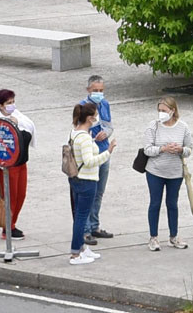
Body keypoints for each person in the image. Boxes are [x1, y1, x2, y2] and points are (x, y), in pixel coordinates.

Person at [143, 97, 192, 252]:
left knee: (172, 204)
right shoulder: (153, 126)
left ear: (173, 110)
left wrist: (180, 150)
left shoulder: (183, 127)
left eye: (164, 111)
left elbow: (189, 148)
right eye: (159, 110)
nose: (161, 114)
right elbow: (147, 149)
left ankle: (173, 236)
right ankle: (153, 237)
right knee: (155, 203)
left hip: (175, 172)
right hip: (155, 171)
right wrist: (163, 149)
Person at [68, 102, 116, 264]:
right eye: (95, 116)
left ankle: (82, 249)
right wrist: (107, 152)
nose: (96, 119)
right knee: (81, 217)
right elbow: (89, 161)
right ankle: (75, 253)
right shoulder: (85, 138)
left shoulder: (75, 133)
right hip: (87, 180)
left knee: (79, 215)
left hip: (75, 178)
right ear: (89, 118)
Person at [0, 89, 35, 240]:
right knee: (10, 198)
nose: (12, 105)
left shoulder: (18, 116)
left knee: (21, 195)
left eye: (13, 101)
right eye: (9, 103)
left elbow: (29, 126)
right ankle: (7, 227)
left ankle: (12, 223)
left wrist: (17, 123)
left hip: (22, 163)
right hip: (8, 167)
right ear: (1, 106)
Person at [77, 75, 115, 244]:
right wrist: (93, 137)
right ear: (88, 90)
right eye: (95, 91)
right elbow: (78, 130)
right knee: (87, 193)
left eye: (101, 91)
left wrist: (105, 134)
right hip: (89, 153)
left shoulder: (105, 104)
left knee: (99, 192)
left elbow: (109, 125)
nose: (99, 94)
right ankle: (85, 231)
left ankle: (94, 226)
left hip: (104, 152)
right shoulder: (82, 107)